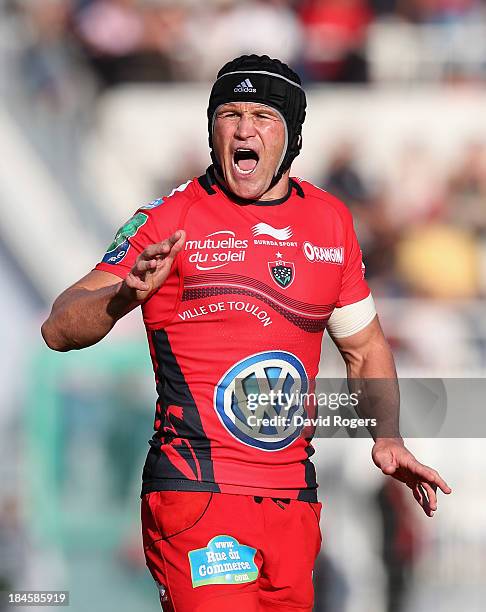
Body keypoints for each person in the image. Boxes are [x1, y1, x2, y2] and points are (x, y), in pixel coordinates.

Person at [41, 54, 451, 612]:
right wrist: (122, 297)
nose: (243, 128)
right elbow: (58, 327)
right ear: (212, 128)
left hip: (294, 502)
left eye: (262, 114)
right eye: (229, 113)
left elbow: (363, 346)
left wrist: (388, 437)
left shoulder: (330, 222)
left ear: (292, 133)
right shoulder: (169, 219)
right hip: (198, 494)